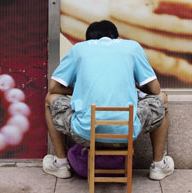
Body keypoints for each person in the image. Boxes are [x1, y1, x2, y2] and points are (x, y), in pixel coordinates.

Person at [43, 20, 174, 180]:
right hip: (127, 131)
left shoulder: (79, 49)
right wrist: (134, 87)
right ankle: (159, 166)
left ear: (88, 40)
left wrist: (79, 89)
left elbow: (54, 87)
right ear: (116, 37)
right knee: (162, 99)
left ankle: (61, 164)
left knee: (50, 99)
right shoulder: (132, 47)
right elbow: (155, 90)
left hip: (85, 132)